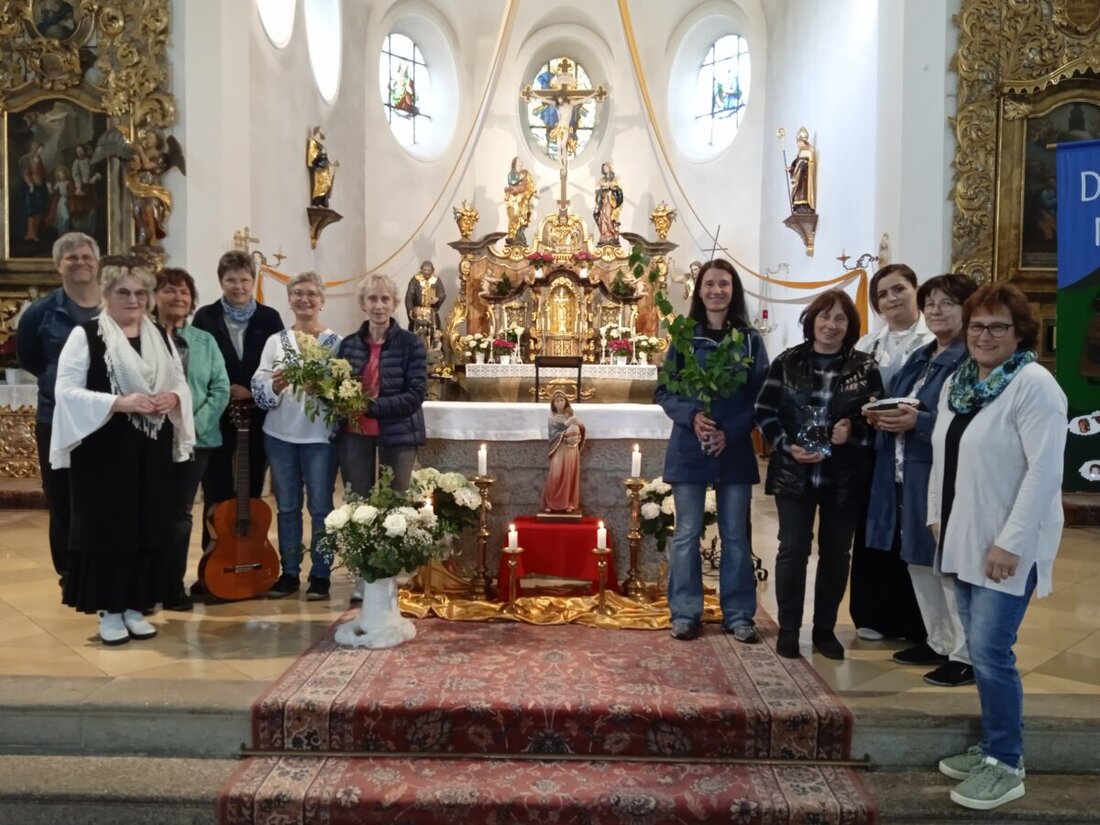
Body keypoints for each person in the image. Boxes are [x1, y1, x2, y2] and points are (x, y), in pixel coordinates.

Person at [930, 283, 1066, 811]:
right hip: (965, 536)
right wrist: (935, 516)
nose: (984, 335)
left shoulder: (1035, 385)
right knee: (980, 649)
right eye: (977, 326)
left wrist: (1010, 544)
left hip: (1008, 547)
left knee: (990, 651)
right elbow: (946, 454)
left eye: (997, 327)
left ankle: (1007, 763)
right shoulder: (962, 383)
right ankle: (991, 746)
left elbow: (1045, 472)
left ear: (1020, 333)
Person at [50, 257, 194, 645]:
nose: (133, 300)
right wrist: (119, 403)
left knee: (147, 524)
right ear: (106, 294)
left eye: (141, 293)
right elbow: (65, 391)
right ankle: (108, 611)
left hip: (151, 449)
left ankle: (135, 604)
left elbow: (180, 383)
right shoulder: (86, 335)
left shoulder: (158, 335)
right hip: (103, 452)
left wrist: (171, 398)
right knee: (108, 528)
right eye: (124, 292)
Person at [755, 289, 882, 660]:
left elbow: (877, 418)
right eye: (824, 316)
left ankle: (825, 629)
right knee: (792, 550)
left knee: (836, 553)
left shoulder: (865, 367)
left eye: (840, 318)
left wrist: (853, 431)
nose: (830, 324)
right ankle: (789, 629)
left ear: (850, 326)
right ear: (811, 320)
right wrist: (784, 445)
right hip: (795, 472)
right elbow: (764, 409)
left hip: (844, 475)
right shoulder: (787, 362)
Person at [864, 273, 977, 686]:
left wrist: (920, 421)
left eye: (947, 302)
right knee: (917, 559)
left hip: (943, 475)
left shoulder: (970, 359)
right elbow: (901, 398)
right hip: (903, 468)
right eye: (931, 303)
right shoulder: (922, 356)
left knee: (947, 563)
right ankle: (939, 639)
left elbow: (969, 420)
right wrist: (879, 412)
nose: (936, 310)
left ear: (968, 309)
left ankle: (966, 654)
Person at [656, 259, 769, 643]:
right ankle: (686, 612)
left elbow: (762, 396)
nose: (717, 290)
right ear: (698, 290)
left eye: (724, 284)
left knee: (735, 534)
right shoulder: (684, 336)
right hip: (690, 446)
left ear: (733, 290)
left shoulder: (750, 339)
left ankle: (738, 614)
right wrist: (692, 416)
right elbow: (664, 390)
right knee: (687, 533)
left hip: (733, 449)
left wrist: (731, 432)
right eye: (709, 284)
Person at [849, 263, 934, 641]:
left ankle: (916, 622)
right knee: (875, 528)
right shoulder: (869, 345)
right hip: (877, 451)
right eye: (882, 294)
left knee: (913, 530)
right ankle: (874, 614)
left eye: (898, 289)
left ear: (915, 291)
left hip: (919, 449)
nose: (891, 299)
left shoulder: (935, 341)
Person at [16, 232, 101, 585]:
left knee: (104, 494)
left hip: (108, 415)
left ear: (98, 263)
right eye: (71, 258)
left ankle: (102, 565)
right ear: (58, 266)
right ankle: (70, 571)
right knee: (63, 497)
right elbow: (30, 358)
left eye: (86, 256)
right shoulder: (40, 313)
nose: (80, 262)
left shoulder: (113, 304)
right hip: (58, 417)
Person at [252, 272, 340, 601]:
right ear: (289, 300)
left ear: (322, 300)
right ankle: (289, 572)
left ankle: (320, 574)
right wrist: (273, 384)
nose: (304, 299)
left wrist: (326, 389)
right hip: (280, 434)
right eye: (298, 294)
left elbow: (345, 391)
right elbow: (259, 382)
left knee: (320, 508)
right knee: (288, 507)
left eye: (311, 294)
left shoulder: (336, 343)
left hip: (320, 437)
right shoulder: (276, 342)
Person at [192, 251, 284, 556]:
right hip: (217, 414)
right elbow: (196, 361)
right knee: (216, 488)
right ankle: (213, 558)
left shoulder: (269, 318)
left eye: (244, 279)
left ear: (252, 280)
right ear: (221, 282)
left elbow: (278, 362)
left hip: (256, 415)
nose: (238, 286)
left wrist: (254, 391)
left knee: (251, 488)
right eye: (231, 279)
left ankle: (249, 556)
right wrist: (224, 387)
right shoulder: (205, 317)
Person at [153, 268, 229, 611]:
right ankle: (146, 582)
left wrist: (190, 424)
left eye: (184, 292)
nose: (178, 298)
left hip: (196, 439)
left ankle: (173, 587)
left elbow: (220, 388)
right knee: (150, 510)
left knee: (180, 513)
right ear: (155, 296)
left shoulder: (204, 340)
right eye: (169, 291)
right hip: (150, 436)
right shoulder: (142, 336)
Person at [542, 390, 585, 512]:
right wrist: (565, 433)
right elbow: (552, 435)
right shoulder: (552, 419)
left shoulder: (571, 416)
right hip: (559, 448)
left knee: (569, 474)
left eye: (562, 400)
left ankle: (569, 503)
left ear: (566, 402)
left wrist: (579, 427)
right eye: (557, 401)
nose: (559, 403)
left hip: (570, 449)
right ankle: (551, 503)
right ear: (553, 403)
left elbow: (581, 429)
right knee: (555, 474)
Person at [403, 260, 446, 347]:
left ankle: (432, 350)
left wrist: (437, 299)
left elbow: (442, 294)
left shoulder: (436, 280)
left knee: (434, 332)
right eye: (424, 270)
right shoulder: (415, 280)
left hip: (431, 311)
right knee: (416, 332)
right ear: (421, 269)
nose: (426, 272)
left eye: (428, 270)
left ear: (432, 270)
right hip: (418, 310)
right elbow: (409, 296)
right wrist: (410, 309)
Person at [504, 157, 536, 246]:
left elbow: (528, 187)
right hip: (514, 201)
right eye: (519, 163)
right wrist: (523, 177)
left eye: (521, 163)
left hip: (522, 200)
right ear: (514, 164)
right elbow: (513, 182)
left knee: (522, 216)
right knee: (514, 216)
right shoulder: (512, 174)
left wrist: (525, 180)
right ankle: (512, 235)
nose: (521, 164)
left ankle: (520, 234)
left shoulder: (524, 175)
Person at [306, 127, 337, 209]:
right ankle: (316, 201)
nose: (323, 132)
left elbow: (326, 159)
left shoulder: (321, 145)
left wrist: (333, 165)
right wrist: (320, 153)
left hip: (325, 167)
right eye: (322, 130)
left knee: (327, 183)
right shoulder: (313, 142)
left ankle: (323, 202)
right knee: (320, 184)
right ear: (319, 131)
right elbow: (312, 155)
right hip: (319, 167)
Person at [593, 162, 623, 245]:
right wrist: (603, 188)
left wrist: (612, 188)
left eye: (606, 167)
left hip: (611, 202)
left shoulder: (615, 179)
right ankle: (605, 234)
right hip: (603, 201)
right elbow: (597, 190)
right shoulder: (601, 180)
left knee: (608, 215)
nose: (605, 169)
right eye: (604, 168)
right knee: (602, 216)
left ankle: (612, 233)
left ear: (610, 168)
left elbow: (619, 190)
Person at [788, 127, 816, 213]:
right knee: (798, 192)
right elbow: (795, 164)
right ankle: (797, 206)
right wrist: (791, 169)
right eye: (797, 143)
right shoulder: (799, 154)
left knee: (803, 191)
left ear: (803, 142)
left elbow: (811, 165)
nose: (798, 145)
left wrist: (804, 165)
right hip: (798, 177)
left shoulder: (809, 152)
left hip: (804, 178)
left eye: (799, 142)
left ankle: (804, 206)